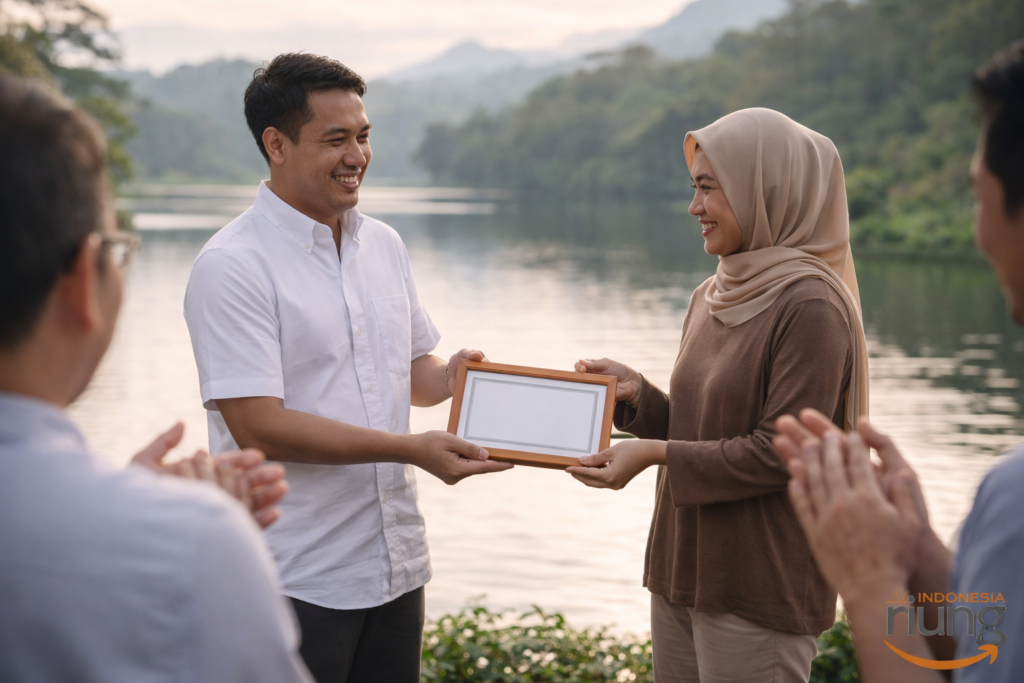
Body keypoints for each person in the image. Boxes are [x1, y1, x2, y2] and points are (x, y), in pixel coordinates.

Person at [182, 52, 512, 683]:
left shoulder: (382, 244)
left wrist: (454, 377)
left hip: (394, 564)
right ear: (275, 144)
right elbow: (259, 426)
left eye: (363, 136)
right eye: (335, 139)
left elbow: (413, 371)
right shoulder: (233, 266)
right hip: (294, 573)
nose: (356, 155)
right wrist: (411, 449)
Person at [0, 76, 312, 682]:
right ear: (83, 281)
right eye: (117, 250)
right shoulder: (191, 545)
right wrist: (163, 523)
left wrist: (119, 498)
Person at [567, 108, 870, 682]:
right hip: (682, 570)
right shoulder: (713, 293)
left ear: (765, 188)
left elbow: (780, 451)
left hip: (758, 584)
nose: (694, 207)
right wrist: (638, 400)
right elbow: (705, 427)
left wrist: (653, 455)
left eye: (709, 188)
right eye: (694, 188)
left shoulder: (810, 305)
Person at [774, 41, 1024, 683]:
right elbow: (987, 650)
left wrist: (868, 579)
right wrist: (920, 561)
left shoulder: (1016, 500)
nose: (977, 230)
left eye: (977, 195)